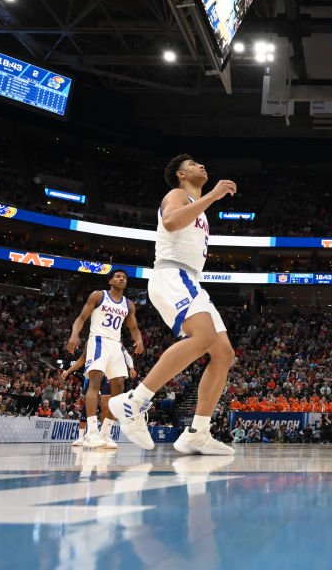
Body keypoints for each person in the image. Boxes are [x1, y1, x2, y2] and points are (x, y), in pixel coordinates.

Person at [108, 154, 238, 456]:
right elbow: (170, 221)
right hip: (172, 273)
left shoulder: (199, 207)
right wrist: (216, 195)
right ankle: (134, 402)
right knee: (203, 337)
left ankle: (198, 433)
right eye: (193, 164)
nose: (202, 165)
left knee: (223, 353)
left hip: (191, 280)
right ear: (180, 174)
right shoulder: (177, 194)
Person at [66, 269, 143, 449]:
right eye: (118, 276)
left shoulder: (129, 304)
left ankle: (106, 433)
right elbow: (82, 317)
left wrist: (138, 339)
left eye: (124, 277)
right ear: (110, 281)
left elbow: (133, 327)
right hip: (98, 340)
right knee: (95, 382)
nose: (121, 279)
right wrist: (74, 334)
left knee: (119, 387)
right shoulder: (98, 295)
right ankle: (91, 432)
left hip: (116, 344)